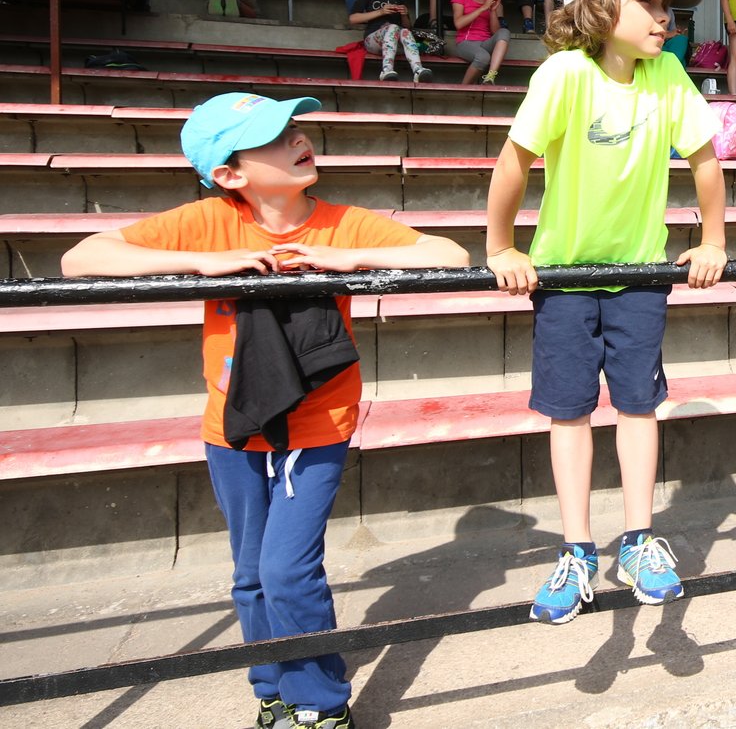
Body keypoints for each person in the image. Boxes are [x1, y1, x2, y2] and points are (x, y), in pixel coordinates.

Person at [60, 92, 468, 729]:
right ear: (230, 174)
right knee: (250, 574)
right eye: (275, 138)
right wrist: (203, 263)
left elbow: (450, 255)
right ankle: (272, 686)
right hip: (231, 424)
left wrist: (349, 259)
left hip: (317, 421)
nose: (299, 139)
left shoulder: (340, 222)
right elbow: (80, 258)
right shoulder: (210, 220)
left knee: (286, 571)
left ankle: (320, 704)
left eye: (295, 128)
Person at [485, 0, 728, 624]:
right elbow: (514, 161)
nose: (663, 16)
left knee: (638, 405)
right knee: (569, 411)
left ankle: (640, 540)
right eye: (645, 2)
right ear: (597, 8)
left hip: (640, 272)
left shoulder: (668, 73)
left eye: (665, 4)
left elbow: (705, 161)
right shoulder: (564, 74)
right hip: (564, 274)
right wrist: (500, 246)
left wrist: (713, 240)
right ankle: (577, 548)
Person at [349, 0, 430, 82]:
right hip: (373, 40)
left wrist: (404, 14)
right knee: (393, 27)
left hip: (396, 43)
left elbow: (407, 26)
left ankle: (418, 70)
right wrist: (381, 12)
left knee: (403, 30)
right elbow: (353, 18)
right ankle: (386, 70)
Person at [450, 0, 512, 85]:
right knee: (483, 57)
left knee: (504, 32)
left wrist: (493, 10)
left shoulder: (487, 0)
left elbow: (495, 32)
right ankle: (463, 88)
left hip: (485, 43)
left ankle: (490, 77)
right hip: (466, 42)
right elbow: (458, 24)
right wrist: (483, 8)